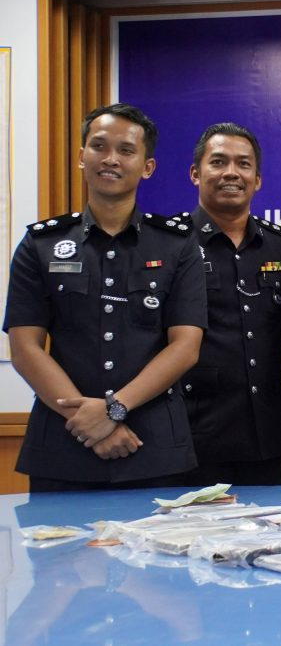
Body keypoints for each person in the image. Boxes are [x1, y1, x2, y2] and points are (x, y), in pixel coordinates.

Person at [4, 103, 207, 491]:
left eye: (126, 150)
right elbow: (25, 348)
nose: (111, 159)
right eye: (99, 146)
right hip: (63, 442)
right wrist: (90, 424)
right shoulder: (41, 244)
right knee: (57, 552)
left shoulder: (177, 245)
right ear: (82, 157)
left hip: (152, 445)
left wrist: (114, 409)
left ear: (147, 166)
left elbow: (185, 347)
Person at [176, 123, 281, 486]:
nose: (232, 172)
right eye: (219, 162)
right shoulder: (171, 245)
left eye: (243, 164)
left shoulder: (280, 247)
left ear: (257, 179)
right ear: (196, 173)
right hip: (195, 432)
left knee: (269, 539)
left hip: (268, 432)